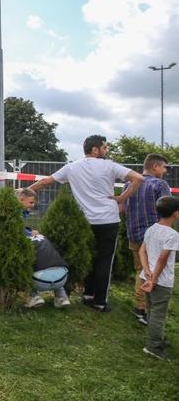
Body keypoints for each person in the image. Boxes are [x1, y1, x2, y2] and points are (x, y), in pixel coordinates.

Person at [29, 135, 143, 312]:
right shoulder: (110, 165)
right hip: (108, 220)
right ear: (95, 149)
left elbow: (44, 182)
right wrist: (122, 197)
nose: (106, 151)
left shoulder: (72, 167)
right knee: (104, 261)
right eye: (104, 147)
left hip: (85, 222)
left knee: (89, 257)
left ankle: (88, 295)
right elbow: (138, 178)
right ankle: (100, 302)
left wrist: (23, 192)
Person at [123, 153, 171, 325]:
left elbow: (123, 207)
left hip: (133, 233)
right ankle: (147, 310)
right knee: (154, 272)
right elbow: (167, 210)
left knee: (140, 270)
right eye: (164, 167)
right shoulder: (160, 184)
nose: (165, 171)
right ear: (155, 167)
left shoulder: (129, 183)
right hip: (154, 236)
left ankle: (139, 307)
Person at [138, 196, 178, 360]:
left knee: (152, 310)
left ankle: (156, 340)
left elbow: (142, 251)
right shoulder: (173, 235)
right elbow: (162, 259)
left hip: (145, 277)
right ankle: (153, 346)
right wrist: (153, 279)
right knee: (158, 315)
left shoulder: (151, 228)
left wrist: (147, 271)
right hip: (160, 282)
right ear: (175, 214)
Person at [17, 188, 71, 309]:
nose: (34, 205)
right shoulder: (42, 238)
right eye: (31, 202)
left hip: (40, 282)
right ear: (21, 199)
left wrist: (27, 232)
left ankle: (33, 297)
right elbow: (19, 226)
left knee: (20, 268)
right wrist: (29, 231)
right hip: (63, 278)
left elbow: (17, 227)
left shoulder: (22, 241)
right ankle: (62, 297)